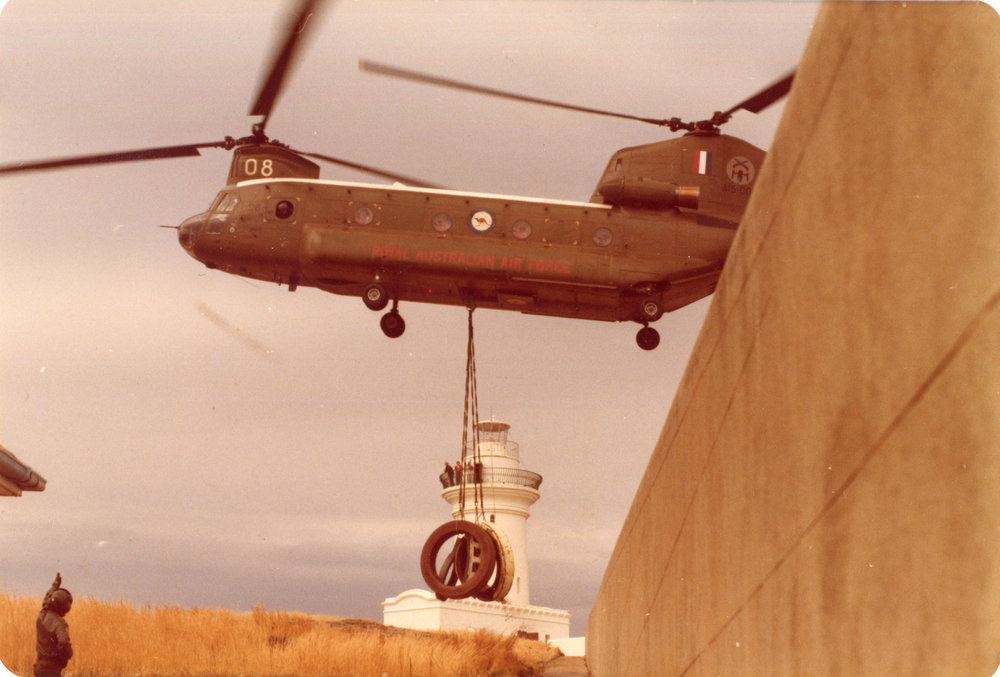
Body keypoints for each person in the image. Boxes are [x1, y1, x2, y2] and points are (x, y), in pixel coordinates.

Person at [34, 573, 72, 677]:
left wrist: (55, 585)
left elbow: (48, 598)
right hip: (52, 670)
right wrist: (68, 655)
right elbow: (63, 643)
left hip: (38, 667)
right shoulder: (59, 623)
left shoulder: (42, 613)